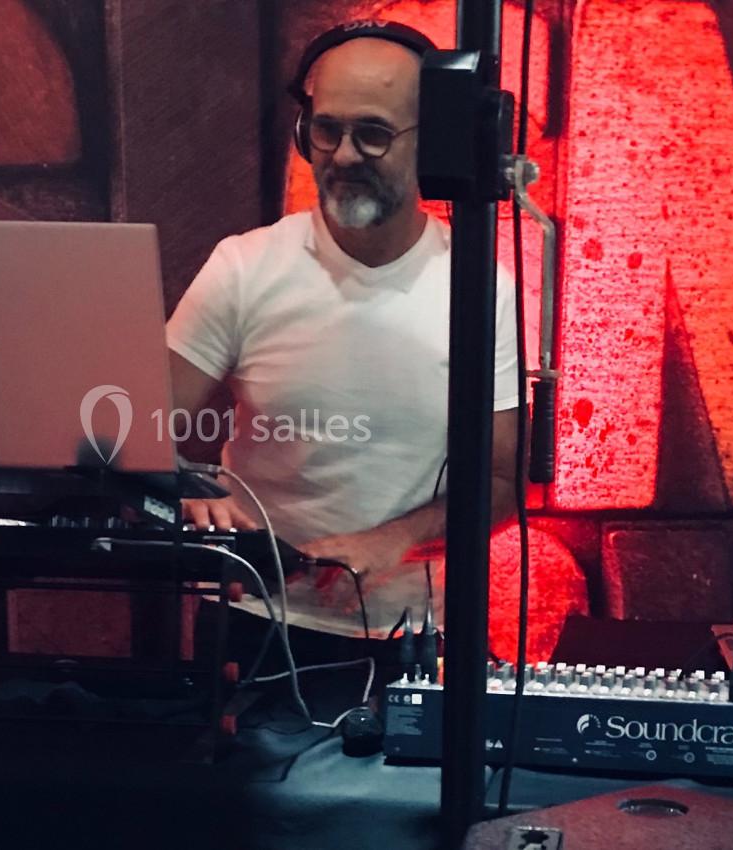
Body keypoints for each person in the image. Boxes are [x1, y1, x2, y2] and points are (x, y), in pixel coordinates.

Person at [168, 21, 520, 665]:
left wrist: (395, 537)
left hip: (410, 638)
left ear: (431, 142)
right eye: (327, 130)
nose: (346, 155)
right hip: (252, 623)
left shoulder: (480, 287)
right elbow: (133, 435)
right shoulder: (244, 267)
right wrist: (183, 492)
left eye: (374, 133)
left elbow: (500, 479)